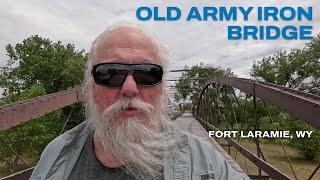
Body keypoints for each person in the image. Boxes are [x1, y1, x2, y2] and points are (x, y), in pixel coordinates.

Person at [30, 22, 249, 180]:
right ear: (90, 86)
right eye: (110, 73)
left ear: (161, 87)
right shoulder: (55, 153)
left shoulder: (209, 165)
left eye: (147, 74)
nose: (129, 89)